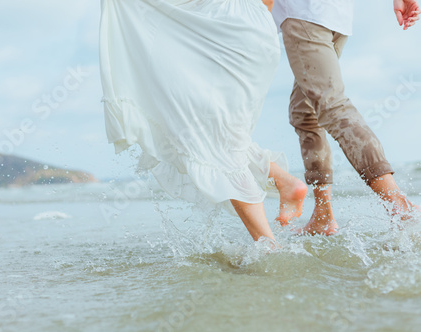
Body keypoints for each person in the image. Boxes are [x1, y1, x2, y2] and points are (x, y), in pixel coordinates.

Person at [99, 0, 307, 243]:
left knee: (211, 140)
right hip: (258, 31)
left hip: (220, 28)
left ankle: (268, 247)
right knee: (218, 136)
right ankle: (284, 181)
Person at [271, 0, 420, 235]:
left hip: (304, 13)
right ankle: (323, 215)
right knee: (305, 113)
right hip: (334, 15)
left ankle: (400, 207)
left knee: (332, 106)